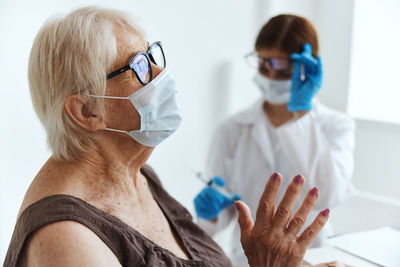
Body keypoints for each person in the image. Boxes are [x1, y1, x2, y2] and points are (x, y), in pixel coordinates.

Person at [4, 7, 333, 267]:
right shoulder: (67, 240)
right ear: (87, 111)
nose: (161, 75)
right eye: (139, 67)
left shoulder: (139, 176)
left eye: (152, 56)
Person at [194, 14, 356, 266]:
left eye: (281, 65)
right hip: (249, 259)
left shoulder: (336, 126)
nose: (269, 73)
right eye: (262, 62)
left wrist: (302, 113)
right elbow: (221, 215)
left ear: (308, 65)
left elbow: (328, 196)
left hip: (312, 257)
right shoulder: (232, 128)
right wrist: (209, 214)